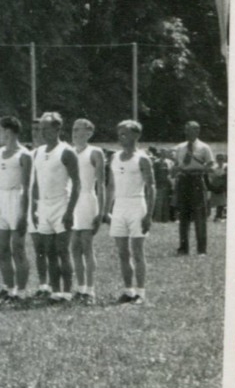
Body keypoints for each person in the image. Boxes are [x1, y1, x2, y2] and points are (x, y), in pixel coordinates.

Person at [29, 112, 81, 302]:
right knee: (48, 251)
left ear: (58, 129)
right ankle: (55, 291)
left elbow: (77, 183)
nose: (42, 133)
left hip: (61, 205)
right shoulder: (38, 152)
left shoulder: (66, 151)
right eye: (40, 129)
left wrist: (70, 211)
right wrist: (34, 208)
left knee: (62, 250)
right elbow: (35, 184)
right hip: (44, 206)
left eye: (46, 129)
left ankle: (67, 292)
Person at [107, 120, 155, 303]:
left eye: (125, 134)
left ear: (136, 136)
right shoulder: (114, 157)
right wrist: (107, 211)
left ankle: (140, 293)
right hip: (119, 207)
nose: (121, 137)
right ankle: (128, 291)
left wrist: (148, 215)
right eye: (119, 134)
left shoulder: (142, 158)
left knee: (137, 251)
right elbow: (111, 186)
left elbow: (151, 187)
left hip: (137, 205)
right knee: (122, 252)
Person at [0, 116, 32, 300]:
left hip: (16, 199)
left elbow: (27, 186)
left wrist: (23, 213)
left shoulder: (24, 155)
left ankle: (21, 291)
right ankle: (8, 287)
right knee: (2, 249)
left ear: (8, 131)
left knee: (18, 248)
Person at [69, 118, 106, 302]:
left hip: (87, 199)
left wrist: (101, 211)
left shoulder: (95, 152)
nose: (75, 133)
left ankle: (90, 289)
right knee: (74, 247)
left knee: (86, 246)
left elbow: (101, 185)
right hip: (72, 201)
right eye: (73, 129)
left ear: (89, 133)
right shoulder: (69, 151)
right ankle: (80, 287)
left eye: (79, 130)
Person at [173, 122, 214, 256]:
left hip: (197, 180)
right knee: (183, 216)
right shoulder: (179, 148)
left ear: (197, 132)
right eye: (187, 130)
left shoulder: (204, 148)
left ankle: (201, 249)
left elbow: (210, 166)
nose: (188, 133)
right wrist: (178, 168)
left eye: (191, 130)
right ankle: (183, 248)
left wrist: (199, 168)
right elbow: (176, 165)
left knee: (199, 217)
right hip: (183, 180)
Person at [152, 148, 175, 223]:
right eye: (162, 153)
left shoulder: (170, 162)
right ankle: (157, 218)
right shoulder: (156, 162)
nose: (164, 154)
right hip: (159, 184)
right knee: (159, 201)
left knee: (166, 201)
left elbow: (172, 173)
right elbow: (154, 174)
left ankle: (165, 218)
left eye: (165, 153)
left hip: (167, 184)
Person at [211, 152, 229, 221]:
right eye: (218, 159)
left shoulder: (227, 166)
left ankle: (222, 215)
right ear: (216, 160)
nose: (220, 160)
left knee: (224, 201)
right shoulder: (214, 168)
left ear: (224, 159)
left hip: (226, 186)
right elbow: (213, 177)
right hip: (219, 187)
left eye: (221, 159)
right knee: (220, 202)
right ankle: (218, 215)